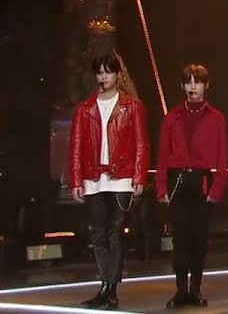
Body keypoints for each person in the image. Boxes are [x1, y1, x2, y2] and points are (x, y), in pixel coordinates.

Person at [69, 52, 148, 310]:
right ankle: (104, 285)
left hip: (121, 179)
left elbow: (141, 143)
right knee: (99, 234)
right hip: (93, 179)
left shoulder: (132, 107)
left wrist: (139, 175)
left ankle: (111, 289)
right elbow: (76, 146)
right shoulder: (84, 109)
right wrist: (76, 179)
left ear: (117, 75)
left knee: (116, 233)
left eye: (108, 72)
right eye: (100, 72)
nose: (103, 76)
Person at [157, 64, 228, 308]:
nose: (192, 87)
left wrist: (217, 187)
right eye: (188, 82)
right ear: (182, 86)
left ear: (206, 85)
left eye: (197, 82)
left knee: (198, 239)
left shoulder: (216, 117)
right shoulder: (172, 117)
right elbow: (162, 154)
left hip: (202, 181)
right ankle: (181, 290)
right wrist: (161, 187)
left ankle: (195, 289)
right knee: (179, 239)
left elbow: (222, 156)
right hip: (177, 180)